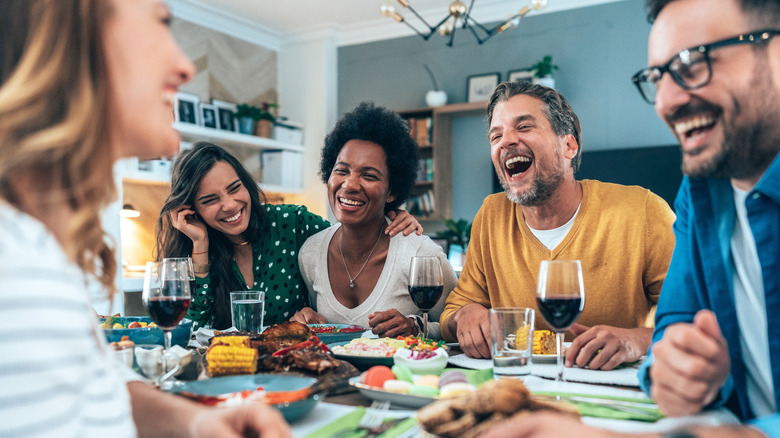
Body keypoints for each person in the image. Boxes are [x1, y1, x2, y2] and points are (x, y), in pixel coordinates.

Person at [483, 0, 780, 436]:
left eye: (693, 65)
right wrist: (673, 374)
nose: (666, 101)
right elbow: (669, 339)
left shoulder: (645, 208)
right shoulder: (700, 198)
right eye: (658, 78)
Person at [0, 1, 290, 437]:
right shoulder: (12, 268)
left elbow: (96, 381)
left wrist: (194, 422)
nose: (185, 66)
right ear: (75, 47)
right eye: (161, 25)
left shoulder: (36, 252)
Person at [440, 81, 676, 370]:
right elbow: (455, 308)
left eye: (524, 127)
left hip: (613, 393)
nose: (506, 141)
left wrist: (638, 340)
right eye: (496, 135)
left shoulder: (642, 211)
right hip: (518, 388)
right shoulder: (491, 215)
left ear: (568, 146)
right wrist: (465, 315)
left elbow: (699, 319)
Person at [156, 143, 422, 331]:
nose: (229, 205)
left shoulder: (291, 223)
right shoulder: (193, 252)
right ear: (193, 210)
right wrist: (200, 246)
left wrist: (387, 214)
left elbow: (349, 236)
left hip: (299, 367)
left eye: (234, 188)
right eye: (210, 200)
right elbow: (190, 331)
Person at [291, 102, 457, 338]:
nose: (349, 184)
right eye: (341, 171)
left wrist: (417, 328)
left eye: (368, 175)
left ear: (392, 192)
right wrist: (308, 318)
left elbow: (457, 326)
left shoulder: (420, 254)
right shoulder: (311, 252)